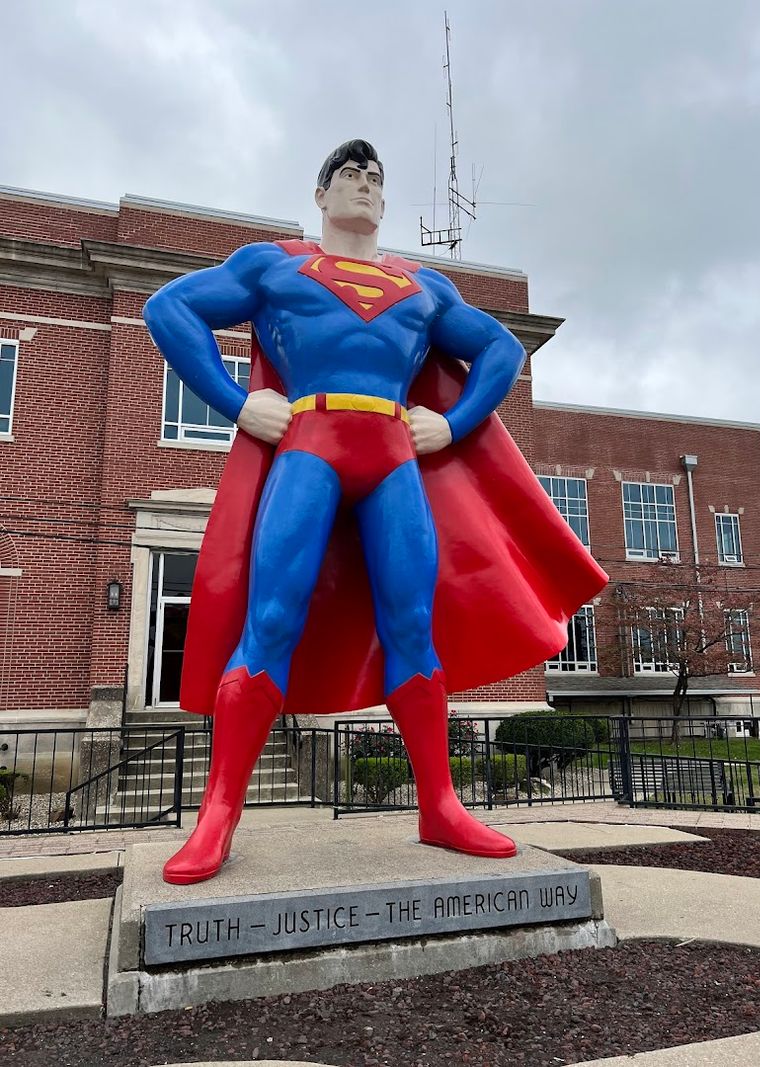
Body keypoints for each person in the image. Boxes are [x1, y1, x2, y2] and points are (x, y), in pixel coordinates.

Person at [144, 139, 607, 884]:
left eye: (374, 179)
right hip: (309, 446)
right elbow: (168, 309)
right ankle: (218, 815)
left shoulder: (422, 284)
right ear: (321, 195)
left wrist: (452, 426)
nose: (363, 185)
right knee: (269, 620)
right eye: (349, 176)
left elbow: (497, 348)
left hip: (392, 456)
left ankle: (440, 805)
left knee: (412, 625)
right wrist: (236, 403)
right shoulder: (274, 265)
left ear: (385, 203)